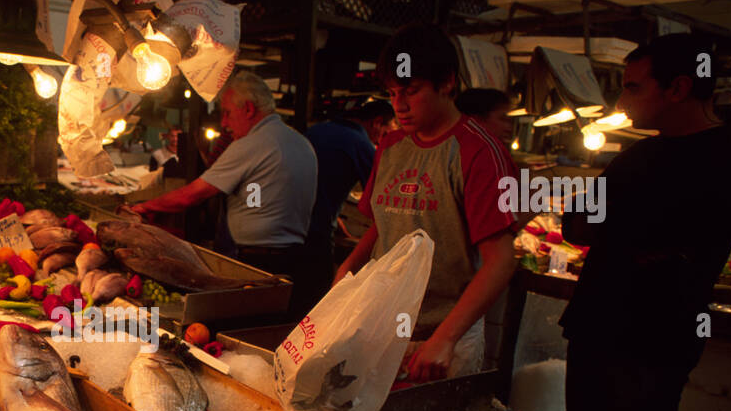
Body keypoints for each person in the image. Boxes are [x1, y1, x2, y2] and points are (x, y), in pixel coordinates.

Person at [561, 33, 731, 411]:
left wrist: (620, 227)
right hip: (594, 328)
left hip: (654, 343)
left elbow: (652, 234)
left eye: (633, 86)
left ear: (679, 88)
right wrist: (626, 230)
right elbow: (573, 224)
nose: (621, 100)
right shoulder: (638, 155)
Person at [333, 23, 521, 381]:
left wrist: (444, 338)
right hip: (381, 328)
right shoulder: (390, 146)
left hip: (443, 339)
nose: (399, 106)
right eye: (391, 93)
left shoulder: (478, 152)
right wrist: (348, 269)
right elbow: (382, 224)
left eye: (411, 91)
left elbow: (501, 261)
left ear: (447, 82)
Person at [121, 70, 319, 320]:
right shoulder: (300, 142)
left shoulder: (251, 145)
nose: (223, 123)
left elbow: (191, 196)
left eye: (227, 113)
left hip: (257, 264)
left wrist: (144, 207)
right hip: (296, 260)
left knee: (246, 333)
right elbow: (257, 195)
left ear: (248, 109)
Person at [304, 99, 396, 291]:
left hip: (291, 231)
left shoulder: (317, 130)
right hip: (316, 236)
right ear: (377, 122)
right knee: (318, 299)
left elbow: (318, 187)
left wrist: (335, 221)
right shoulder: (360, 143)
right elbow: (382, 199)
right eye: (385, 133)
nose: (381, 142)